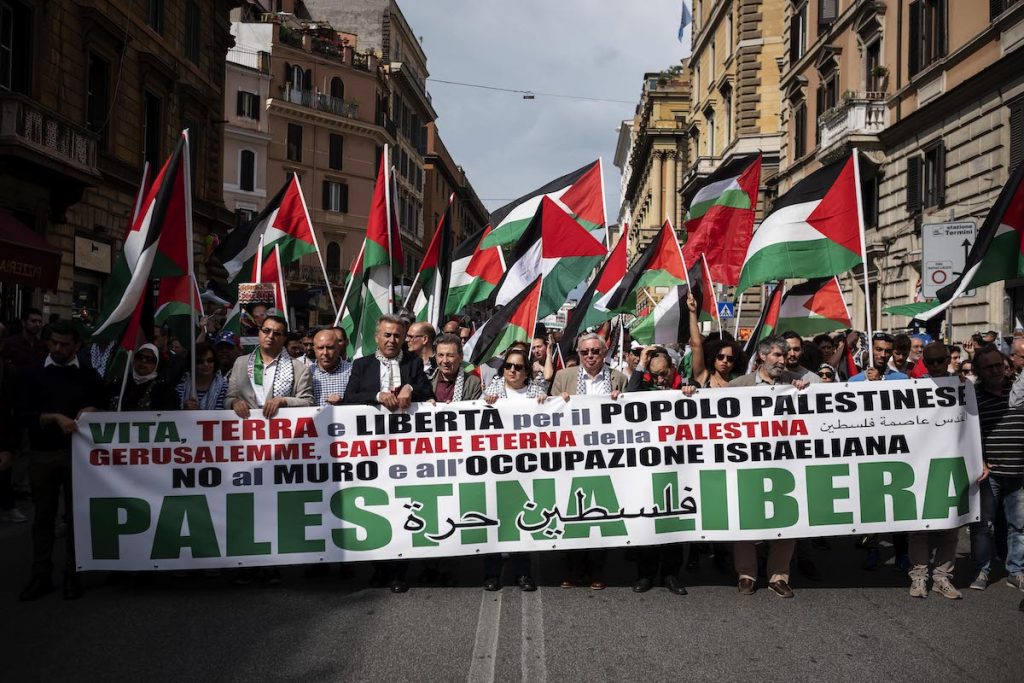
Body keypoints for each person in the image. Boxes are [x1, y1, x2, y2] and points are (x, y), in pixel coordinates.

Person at [343, 314, 433, 594]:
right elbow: (349, 397)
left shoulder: (413, 363)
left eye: (397, 335)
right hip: (373, 451)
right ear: (376, 337)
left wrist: (410, 387)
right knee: (377, 507)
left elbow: (427, 391)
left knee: (402, 506)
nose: (392, 340)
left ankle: (398, 572)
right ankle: (379, 568)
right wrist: (378, 396)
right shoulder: (362, 365)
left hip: (406, 452)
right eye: (387, 335)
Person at [17, 320, 105, 600]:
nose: (57, 348)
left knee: (76, 517)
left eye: (64, 344)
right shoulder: (32, 374)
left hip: (79, 457)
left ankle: (72, 573)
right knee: (43, 517)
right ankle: (40, 574)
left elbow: (106, 407)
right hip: (43, 455)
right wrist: (52, 418)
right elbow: (22, 415)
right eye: (53, 342)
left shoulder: (89, 376)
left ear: (76, 345)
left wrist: (93, 409)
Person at [728, 336, 807, 598]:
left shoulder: (794, 385)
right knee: (744, 518)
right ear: (762, 356)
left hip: (785, 465)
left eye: (785, 356)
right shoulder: (738, 386)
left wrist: (804, 391)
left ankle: (779, 576)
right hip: (748, 464)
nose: (783, 360)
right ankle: (747, 574)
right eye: (777, 355)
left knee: (787, 517)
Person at [550, 333, 626, 590]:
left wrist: (622, 401)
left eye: (595, 351)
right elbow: (549, 414)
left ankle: (596, 570)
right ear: (579, 354)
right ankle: (571, 569)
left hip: (605, 456)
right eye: (585, 352)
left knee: (599, 512)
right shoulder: (563, 377)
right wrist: (556, 402)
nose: (590, 356)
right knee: (571, 511)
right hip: (571, 455)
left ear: (604, 353)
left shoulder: (618, 378)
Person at [479, 347, 542, 592]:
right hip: (496, 467)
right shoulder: (492, 392)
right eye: (508, 366)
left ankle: (523, 573)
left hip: (526, 468)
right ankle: (492, 574)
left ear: (527, 372)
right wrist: (485, 403)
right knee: (494, 520)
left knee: (522, 520)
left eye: (518, 367)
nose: (512, 371)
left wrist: (550, 403)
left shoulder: (538, 393)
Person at [907, 342, 964, 599]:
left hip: (950, 461)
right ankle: (919, 575)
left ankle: (943, 576)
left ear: (949, 359)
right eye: (931, 362)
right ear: (924, 363)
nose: (937, 365)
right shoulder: (913, 387)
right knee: (919, 524)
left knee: (951, 524)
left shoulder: (962, 386)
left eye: (941, 360)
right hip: (920, 463)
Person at [969, 344, 1024, 591]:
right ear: (979, 371)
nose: (995, 370)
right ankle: (982, 570)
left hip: (1019, 471)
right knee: (984, 526)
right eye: (988, 367)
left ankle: (1016, 571)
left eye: (998, 365)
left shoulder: (1018, 391)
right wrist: (980, 460)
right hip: (989, 474)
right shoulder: (974, 397)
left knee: (1019, 526)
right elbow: (969, 433)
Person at [226, 314, 313, 419]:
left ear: (284, 338)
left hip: (282, 426)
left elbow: (308, 402)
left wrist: (284, 401)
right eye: (266, 331)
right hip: (247, 425)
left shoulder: (299, 368)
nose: (270, 336)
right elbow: (229, 398)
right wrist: (234, 402)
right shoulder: (241, 363)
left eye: (277, 333)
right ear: (259, 332)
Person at [112, 343, 177, 411]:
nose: (143, 361)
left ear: (156, 364)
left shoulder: (163, 390)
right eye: (139, 357)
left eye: (149, 359)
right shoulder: (120, 383)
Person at [175, 342, 228, 410]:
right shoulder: (180, 389)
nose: (206, 364)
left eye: (210, 360)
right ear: (192, 363)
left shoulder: (225, 389)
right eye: (200, 361)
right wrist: (184, 411)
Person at [431, 334, 481, 402]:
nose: (445, 361)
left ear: (461, 356)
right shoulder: (427, 381)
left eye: (450, 355)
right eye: (441, 355)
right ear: (435, 357)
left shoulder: (473, 383)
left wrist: (454, 406)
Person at [310, 328, 352, 407]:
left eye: (330, 348)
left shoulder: (352, 371)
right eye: (320, 348)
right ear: (314, 349)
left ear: (338, 348)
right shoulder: (307, 373)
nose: (325, 353)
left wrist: (343, 402)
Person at [2, 307, 47, 372]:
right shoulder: (10, 343)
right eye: (33, 321)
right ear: (23, 322)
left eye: (40, 322)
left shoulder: (41, 345)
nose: (37, 324)